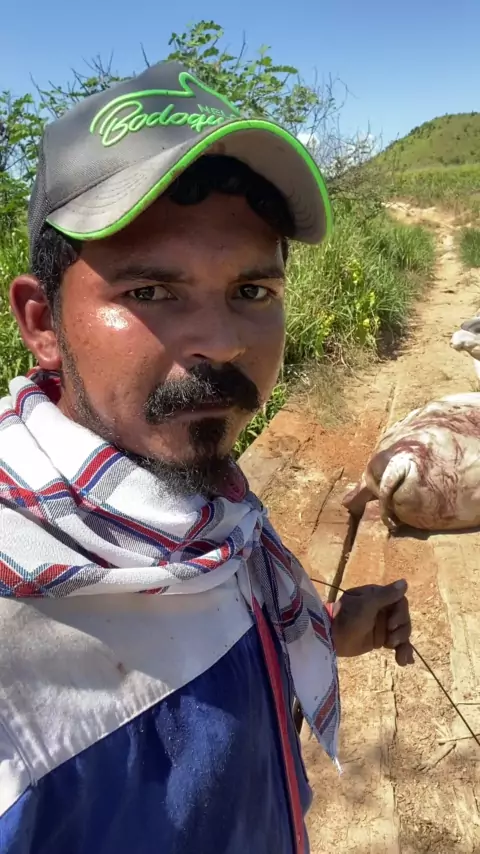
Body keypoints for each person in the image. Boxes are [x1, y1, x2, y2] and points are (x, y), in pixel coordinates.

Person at [0, 60, 413, 853]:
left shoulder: (197, 520)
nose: (223, 343)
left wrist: (327, 631)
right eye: (150, 292)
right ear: (42, 322)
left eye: (252, 292)